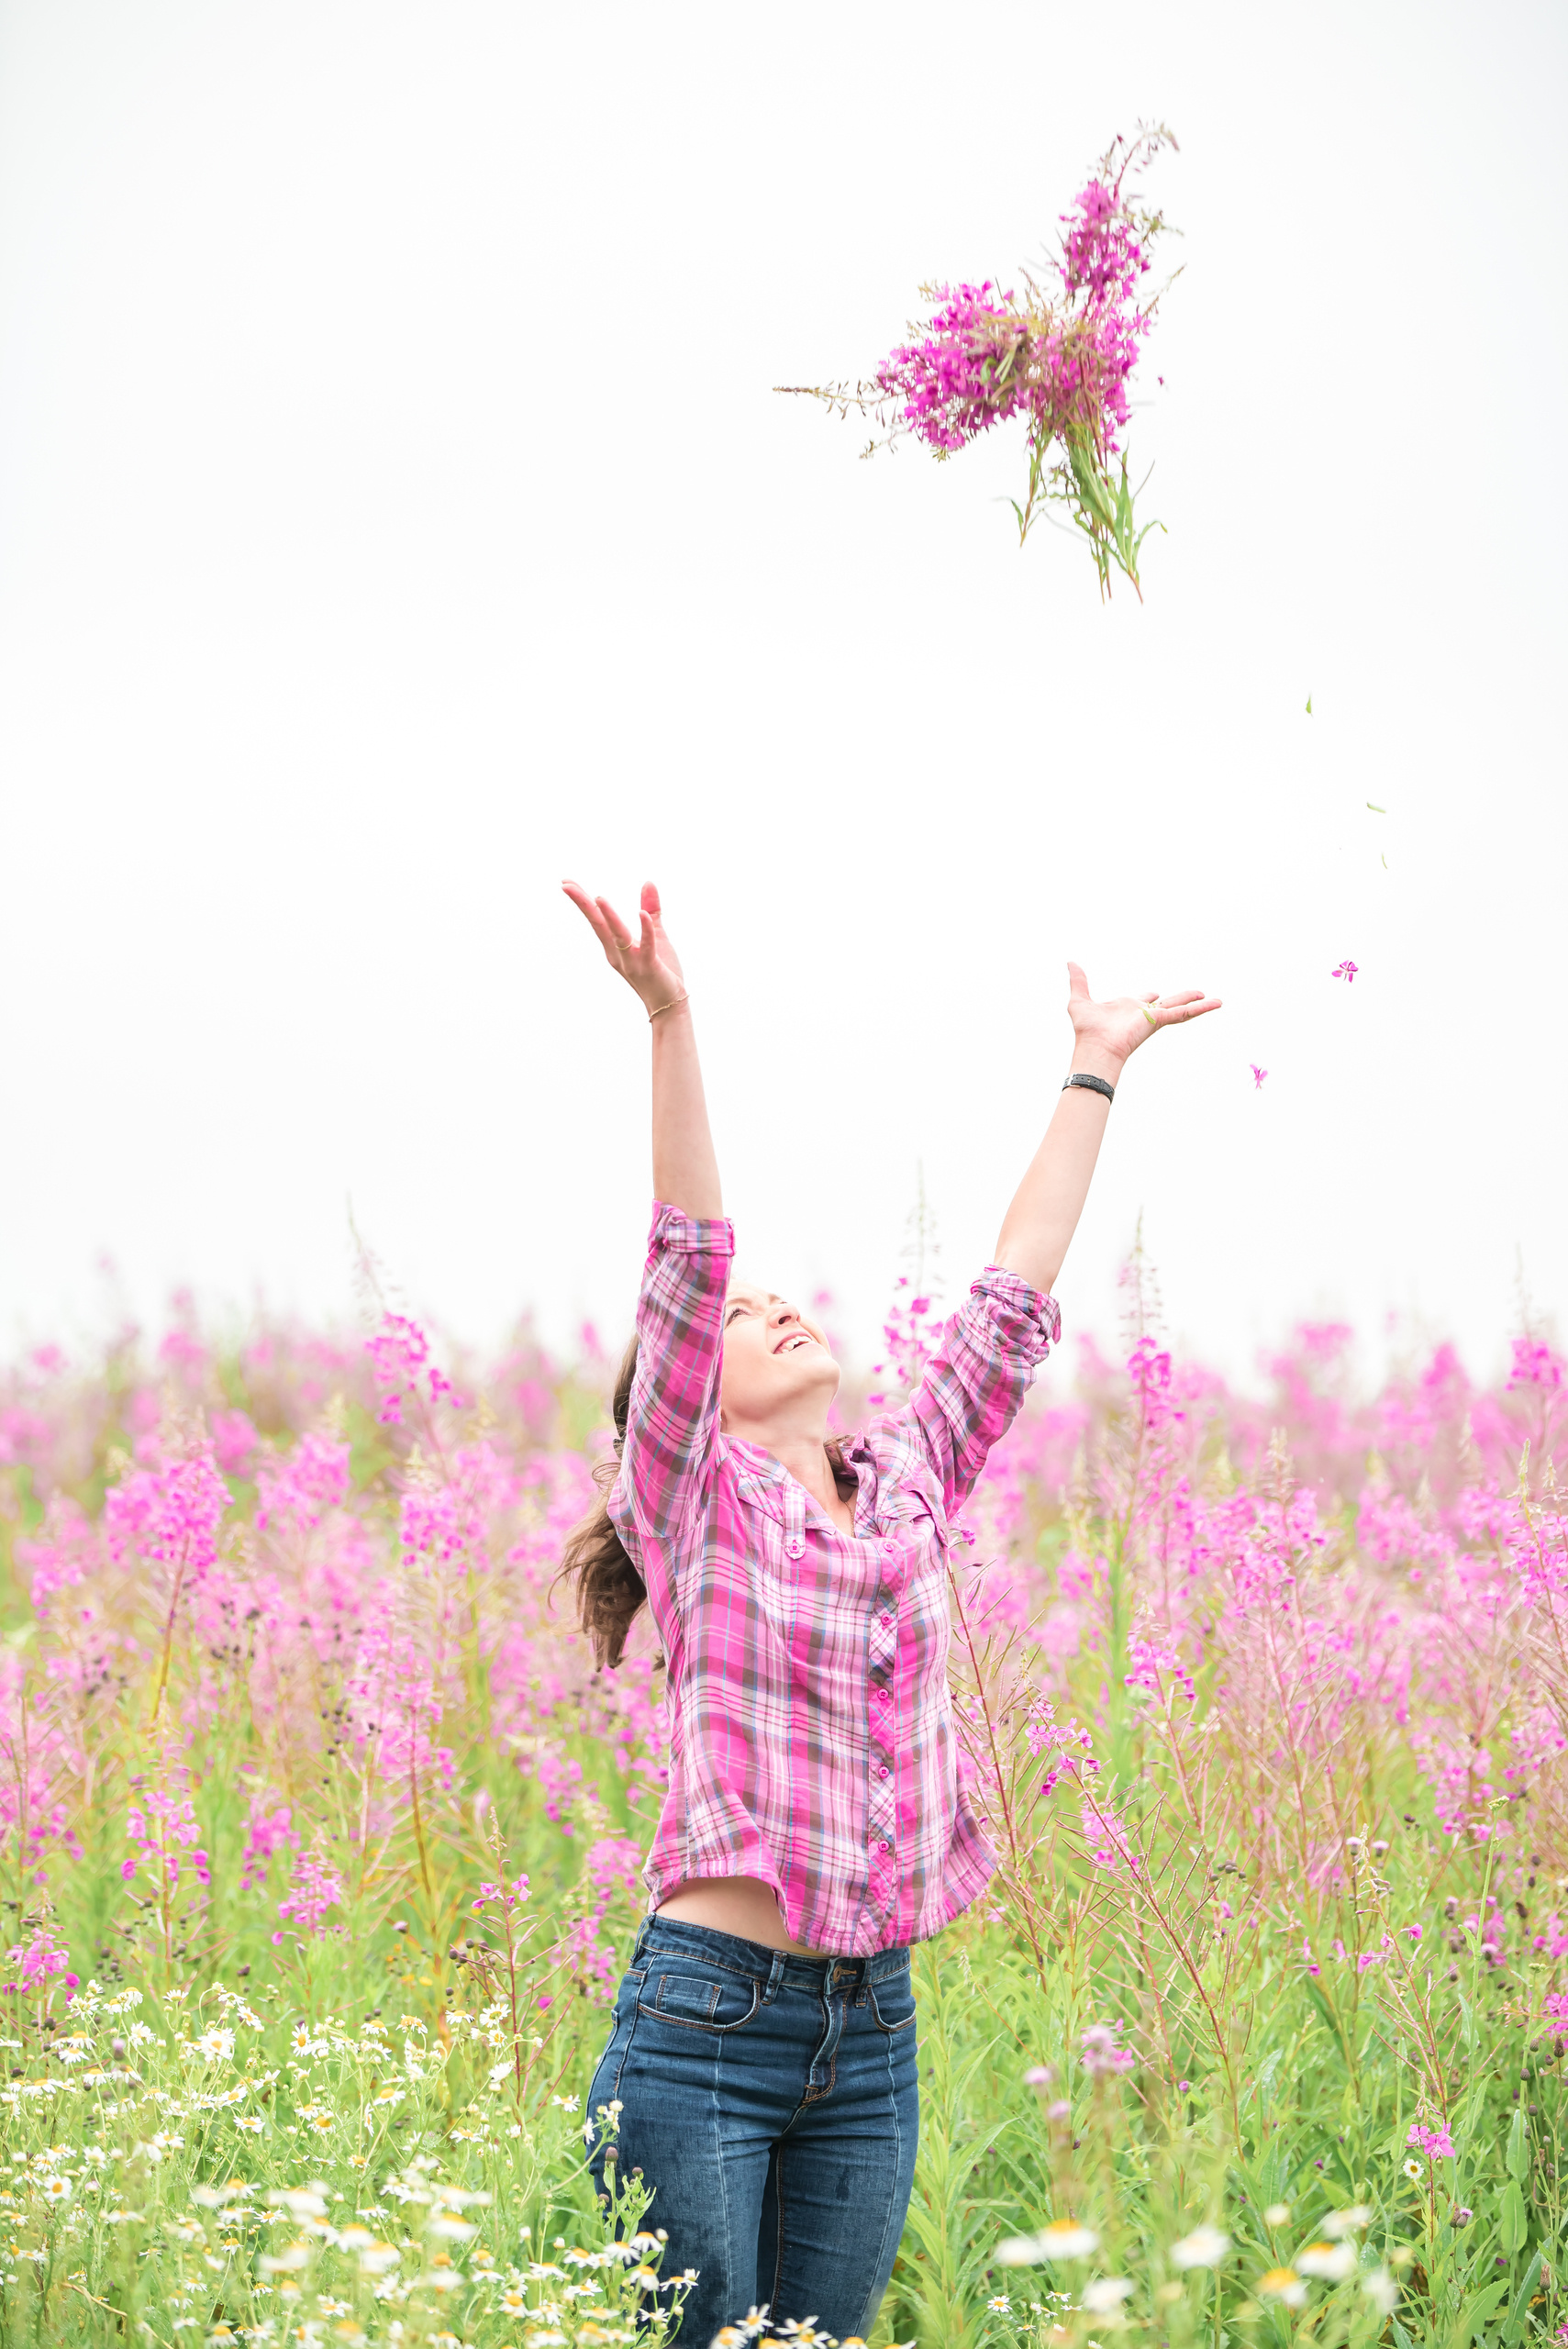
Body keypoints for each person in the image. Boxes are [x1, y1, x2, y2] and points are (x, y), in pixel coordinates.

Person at [560, 878, 1220, 2345]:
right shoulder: (689, 1499)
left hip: (871, 2030)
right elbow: (686, 1257)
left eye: (783, 1298)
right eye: (745, 1319)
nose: (773, 1308)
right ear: (679, 1397)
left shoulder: (910, 1479)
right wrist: (672, 1019)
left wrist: (1095, 1064)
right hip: (703, 2024)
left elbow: (1011, 1290)